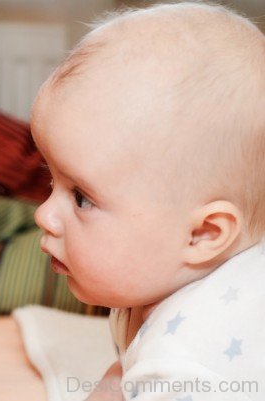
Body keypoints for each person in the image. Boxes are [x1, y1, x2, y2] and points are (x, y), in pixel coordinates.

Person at [31, 2, 265, 400]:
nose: (43, 214)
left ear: (203, 234)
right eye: (52, 180)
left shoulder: (187, 369)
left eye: (82, 198)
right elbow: (123, 374)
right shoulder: (161, 283)